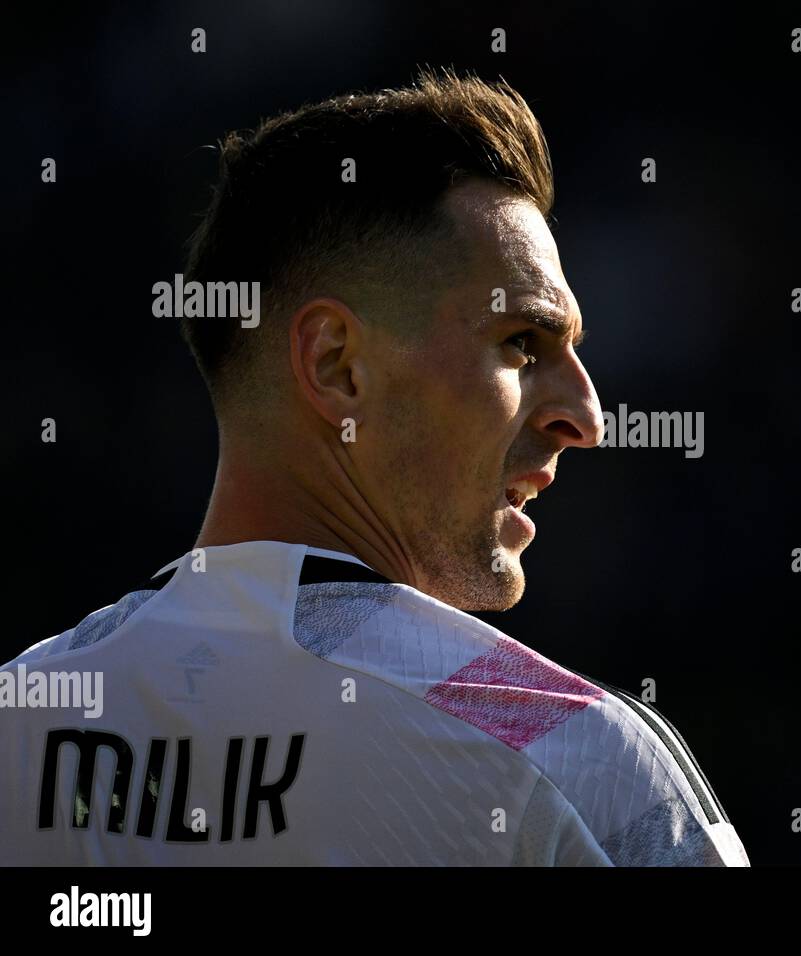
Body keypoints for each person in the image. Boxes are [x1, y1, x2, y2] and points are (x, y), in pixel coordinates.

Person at [0, 68, 749, 867]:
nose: (589, 419)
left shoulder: (22, 721)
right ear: (336, 366)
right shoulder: (567, 753)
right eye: (521, 344)